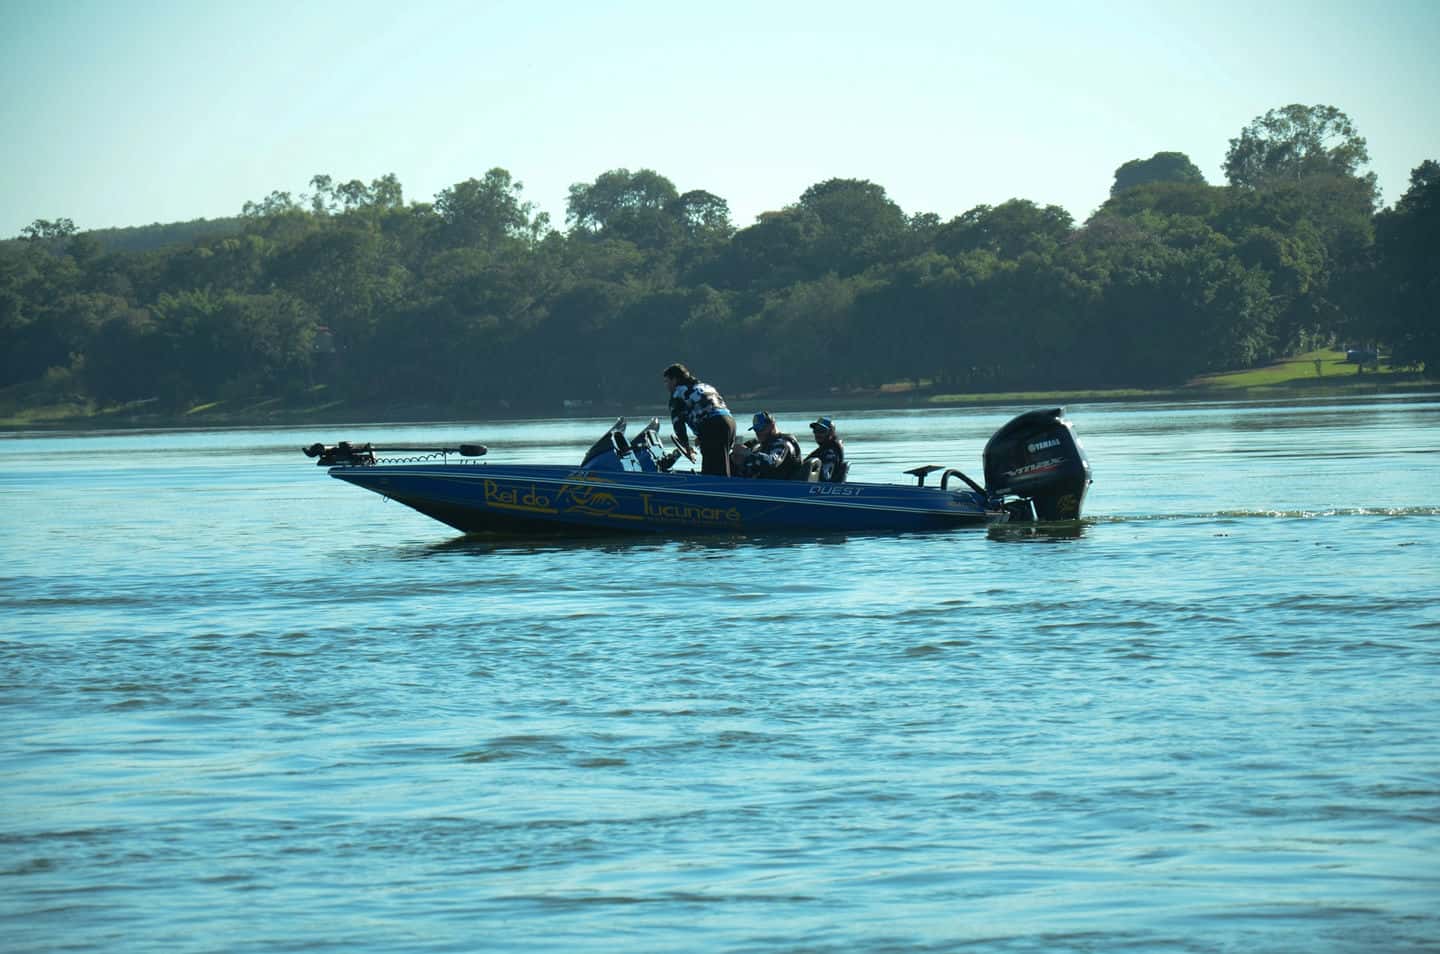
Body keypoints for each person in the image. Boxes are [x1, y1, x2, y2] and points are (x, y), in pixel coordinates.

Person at [663, 363, 735, 476]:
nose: (666, 386)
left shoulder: (677, 393)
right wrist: (701, 436)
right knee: (721, 464)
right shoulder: (705, 386)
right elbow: (710, 409)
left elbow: (678, 424)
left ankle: (713, 487)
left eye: (667, 381)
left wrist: (687, 447)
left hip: (712, 426)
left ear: (675, 380)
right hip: (730, 423)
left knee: (712, 471)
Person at [736, 411, 805, 480]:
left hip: (783, 485)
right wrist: (741, 461)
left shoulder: (783, 444)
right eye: (756, 429)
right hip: (761, 484)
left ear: (772, 426)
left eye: (761, 428)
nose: (758, 432)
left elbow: (772, 462)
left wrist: (747, 453)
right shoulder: (759, 446)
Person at [804, 416, 847, 482]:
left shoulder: (830, 453)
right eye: (815, 431)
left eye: (821, 431)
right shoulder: (824, 449)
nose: (817, 434)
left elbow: (825, 478)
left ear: (831, 433)